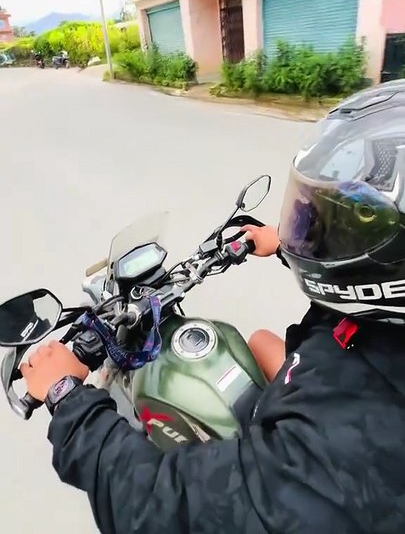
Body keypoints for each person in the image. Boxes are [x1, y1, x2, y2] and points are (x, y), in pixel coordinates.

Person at [20, 80, 405, 533]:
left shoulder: (331, 467)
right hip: (333, 372)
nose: (311, 228)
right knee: (259, 341)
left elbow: (160, 506)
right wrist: (286, 246)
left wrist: (67, 398)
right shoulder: (383, 320)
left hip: (311, 446)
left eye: (336, 225)